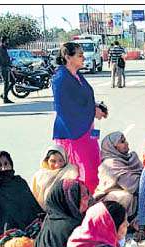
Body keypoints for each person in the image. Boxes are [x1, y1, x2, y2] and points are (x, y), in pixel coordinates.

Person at [52, 42, 108, 194]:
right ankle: (81, 202)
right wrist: (92, 111)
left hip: (86, 128)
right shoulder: (60, 79)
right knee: (80, 172)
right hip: (72, 132)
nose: (84, 58)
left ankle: (92, 198)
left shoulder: (77, 75)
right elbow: (64, 109)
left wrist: (97, 107)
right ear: (68, 57)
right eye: (80, 55)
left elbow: (82, 100)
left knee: (95, 166)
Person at [93, 131, 143, 219]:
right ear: (113, 147)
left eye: (125, 140)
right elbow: (133, 185)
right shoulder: (110, 164)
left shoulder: (131, 158)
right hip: (110, 201)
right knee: (126, 197)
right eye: (122, 142)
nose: (127, 143)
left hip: (132, 191)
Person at [30, 145, 79, 210]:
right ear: (47, 160)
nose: (57, 165)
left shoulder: (70, 172)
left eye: (60, 160)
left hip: (65, 211)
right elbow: (33, 196)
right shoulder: (39, 176)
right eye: (53, 161)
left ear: (65, 160)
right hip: (42, 212)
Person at [0, 36, 13, 104]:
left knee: (13, 81)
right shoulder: (0, 48)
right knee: (6, 83)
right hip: (3, 67)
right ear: (4, 41)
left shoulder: (4, 48)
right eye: (7, 40)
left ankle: (4, 94)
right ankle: (5, 98)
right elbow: (2, 59)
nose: (8, 42)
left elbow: (7, 57)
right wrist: (7, 64)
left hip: (7, 67)